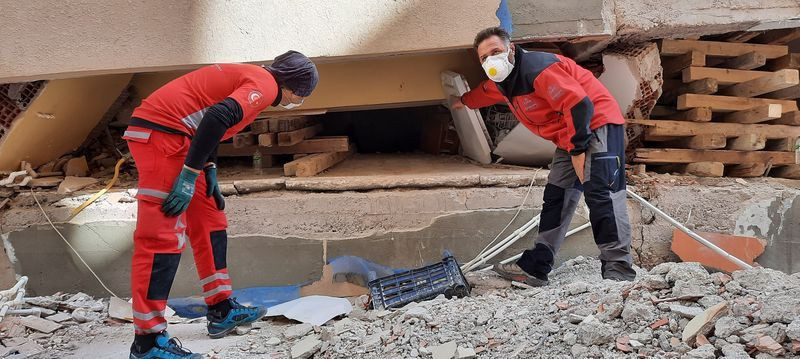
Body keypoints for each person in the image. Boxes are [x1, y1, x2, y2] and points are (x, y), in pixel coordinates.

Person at [123, 51, 318, 358]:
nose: (299, 100)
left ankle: (220, 308)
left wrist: (209, 167)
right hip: (162, 135)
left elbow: (210, 122)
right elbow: (217, 116)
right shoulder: (266, 85)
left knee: (210, 217)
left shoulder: (256, 79)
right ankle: (147, 341)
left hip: (180, 137)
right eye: (301, 95)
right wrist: (189, 175)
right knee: (162, 236)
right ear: (292, 87)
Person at [452, 27, 636, 286]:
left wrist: (578, 150)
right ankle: (536, 267)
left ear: (511, 49)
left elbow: (579, 104)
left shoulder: (537, 69)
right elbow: (485, 92)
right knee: (556, 196)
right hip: (569, 134)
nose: (491, 60)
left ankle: (619, 271)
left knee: (602, 194)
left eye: (496, 51)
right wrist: (463, 101)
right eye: (484, 58)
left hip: (597, 123)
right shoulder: (504, 82)